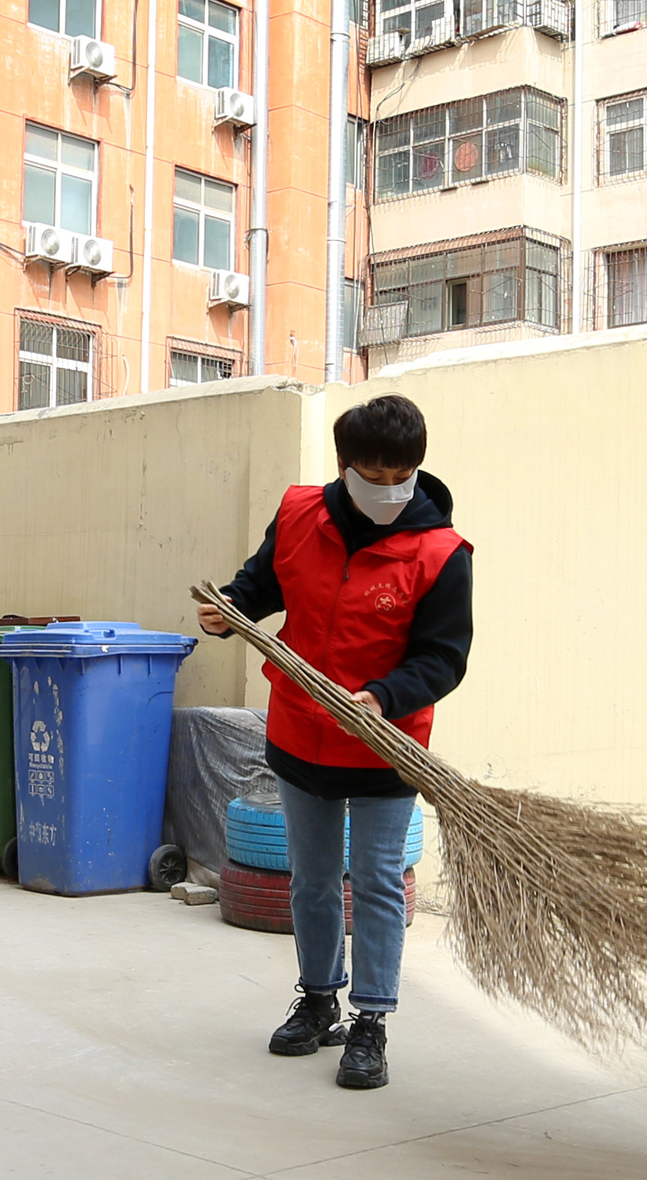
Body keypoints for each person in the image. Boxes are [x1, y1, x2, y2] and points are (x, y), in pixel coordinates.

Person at [197, 395, 475, 1091]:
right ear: (345, 465)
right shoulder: (299, 514)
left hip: (386, 744)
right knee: (313, 877)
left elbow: (443, 658)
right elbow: (260, 584)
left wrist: (382, 697)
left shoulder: (441, 554)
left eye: (402, 475)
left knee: (377, 880)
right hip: (300, 729)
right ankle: (318, 999)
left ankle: (371, 1020)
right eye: (374, 475)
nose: (389, 488)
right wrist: (228, 610)